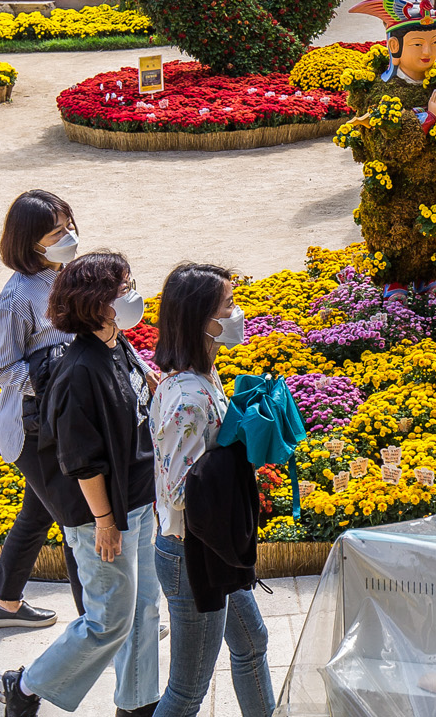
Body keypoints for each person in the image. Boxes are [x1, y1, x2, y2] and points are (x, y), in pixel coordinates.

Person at [0, 252, 163, 717]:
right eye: (123, 288)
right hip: (102, 515)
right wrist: (105, 522)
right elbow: (82, 460)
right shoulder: (79, 371)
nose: (133, 295)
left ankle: (138, 703)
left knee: (144, 610)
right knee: (108, 621)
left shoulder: (117, 344)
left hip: (137, 498)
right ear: (97, 302)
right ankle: (25, 686)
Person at [149, 263, 276, 717]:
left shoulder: (202, 377)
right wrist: (237, 454)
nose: (237, 313)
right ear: (202, 319)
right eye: (229, 305)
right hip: (192, 554)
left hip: (209, 547)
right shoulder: (188, 399)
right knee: (187, 692)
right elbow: (182, 492)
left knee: (252, 642)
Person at [0, 190, 86, 630]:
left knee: (37, 512)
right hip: (36, 429)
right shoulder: (16, 299)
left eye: (68, 226)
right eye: (56, 232)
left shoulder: (69, 276)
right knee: (82, 521)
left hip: (65, 420)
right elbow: (2, 368)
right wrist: (57, 385)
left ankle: (4, 603)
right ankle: (103, 621)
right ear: (29, 242)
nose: (68, 237)